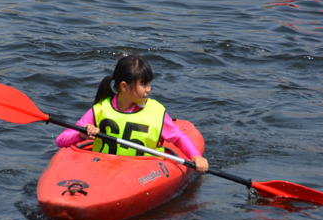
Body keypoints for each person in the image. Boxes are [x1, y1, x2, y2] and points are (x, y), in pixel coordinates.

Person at [56, 55, 209, 173]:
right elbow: (61, 140)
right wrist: (82, 135)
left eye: (149, 83)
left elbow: (178, 137)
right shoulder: (100, 110)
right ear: (124, 87)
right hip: (104, 168)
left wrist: (195, 156)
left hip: (144, 172)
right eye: (143, 84)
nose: (148, 89)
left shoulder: (156, 111)